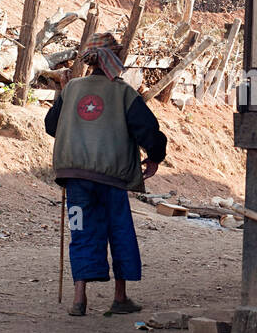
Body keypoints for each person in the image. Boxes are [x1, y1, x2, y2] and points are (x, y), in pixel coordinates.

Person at [44, 32, 167, 317]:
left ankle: (79, 299)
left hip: (74, 176)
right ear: (115, 57)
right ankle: (120, 297)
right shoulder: (123, 92)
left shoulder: (72, 89)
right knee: (118, 230)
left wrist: (67, 108)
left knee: (81, 229)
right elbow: (147, 130)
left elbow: (52, 126)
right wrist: (155, 157)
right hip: (111, 177)